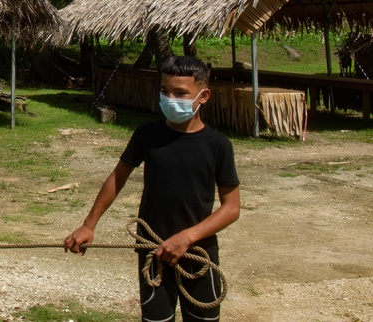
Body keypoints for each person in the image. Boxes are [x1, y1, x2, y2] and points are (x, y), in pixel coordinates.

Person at [64, 55, 241, 321]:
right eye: (164, 91)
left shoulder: (218, 145)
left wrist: (187, 237)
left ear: (203, 96)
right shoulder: (148, 134)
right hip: (153, 249)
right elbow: (117, 178)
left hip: (198, 251)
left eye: (180, 93)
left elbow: (231, 208)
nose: (170, 99)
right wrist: (89, 225)